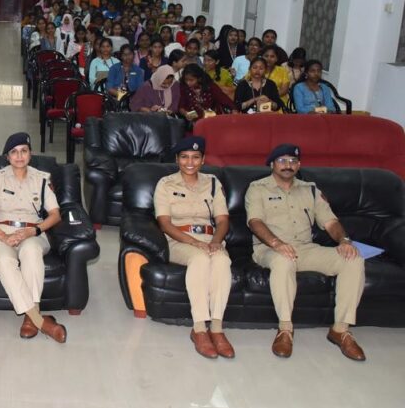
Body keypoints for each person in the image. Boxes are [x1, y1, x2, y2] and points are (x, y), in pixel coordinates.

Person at [245, 144, 366, 361]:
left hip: (306, 249)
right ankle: (285, 329)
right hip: (270, 249)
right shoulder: (258, 188)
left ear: (299, 165)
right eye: (282, 161)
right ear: (272, 164)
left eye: (292, 161)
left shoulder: (311, 190)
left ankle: (340, 329)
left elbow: (330, 222)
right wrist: (277, 243)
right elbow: (255, 222)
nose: (287, 165)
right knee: (284, 261)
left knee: (353, 259)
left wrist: (344, 240)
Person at [0, 133, 67, 343]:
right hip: (1, 233)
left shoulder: (42, 179)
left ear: (30, 154)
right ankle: (39, 320)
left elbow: (55, 215)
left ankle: (29, 317)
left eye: (23, 151)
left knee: (31, 252)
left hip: (32, 232)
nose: (19, 156)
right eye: (14, 152)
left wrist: (33, 231)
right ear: (7, 157)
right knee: (5, 262)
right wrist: (1, 236)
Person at [153, 137, 234, 358]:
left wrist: (216, 242)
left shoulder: (213, 183)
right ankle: (199, 329)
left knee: (222, 260)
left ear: (203, 159)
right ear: (177, 159)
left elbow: (223, 219)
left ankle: (216, 328)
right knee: (199, 259)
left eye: (196, 157)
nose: (190, 162)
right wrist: (195, 243)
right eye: (185, 157)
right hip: (179, 239)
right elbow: (164, 223)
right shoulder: (166, 184)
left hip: (210, 238)